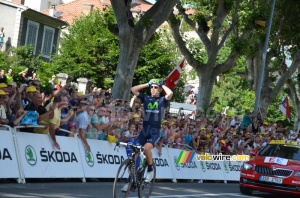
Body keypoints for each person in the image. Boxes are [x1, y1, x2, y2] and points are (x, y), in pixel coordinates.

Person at [131, 79, 173, 183]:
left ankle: (150, 169)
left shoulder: (162, 100)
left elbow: (170, 93)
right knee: (134, 151)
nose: (153, 89)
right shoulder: (146, 98)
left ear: (159, 90)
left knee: (146, 148)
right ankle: (131, 178)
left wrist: (162, 85)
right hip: (144, 130)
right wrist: (147, 84)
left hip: (155, 131)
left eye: (155, 87)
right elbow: (133, 89)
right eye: (152, 87)